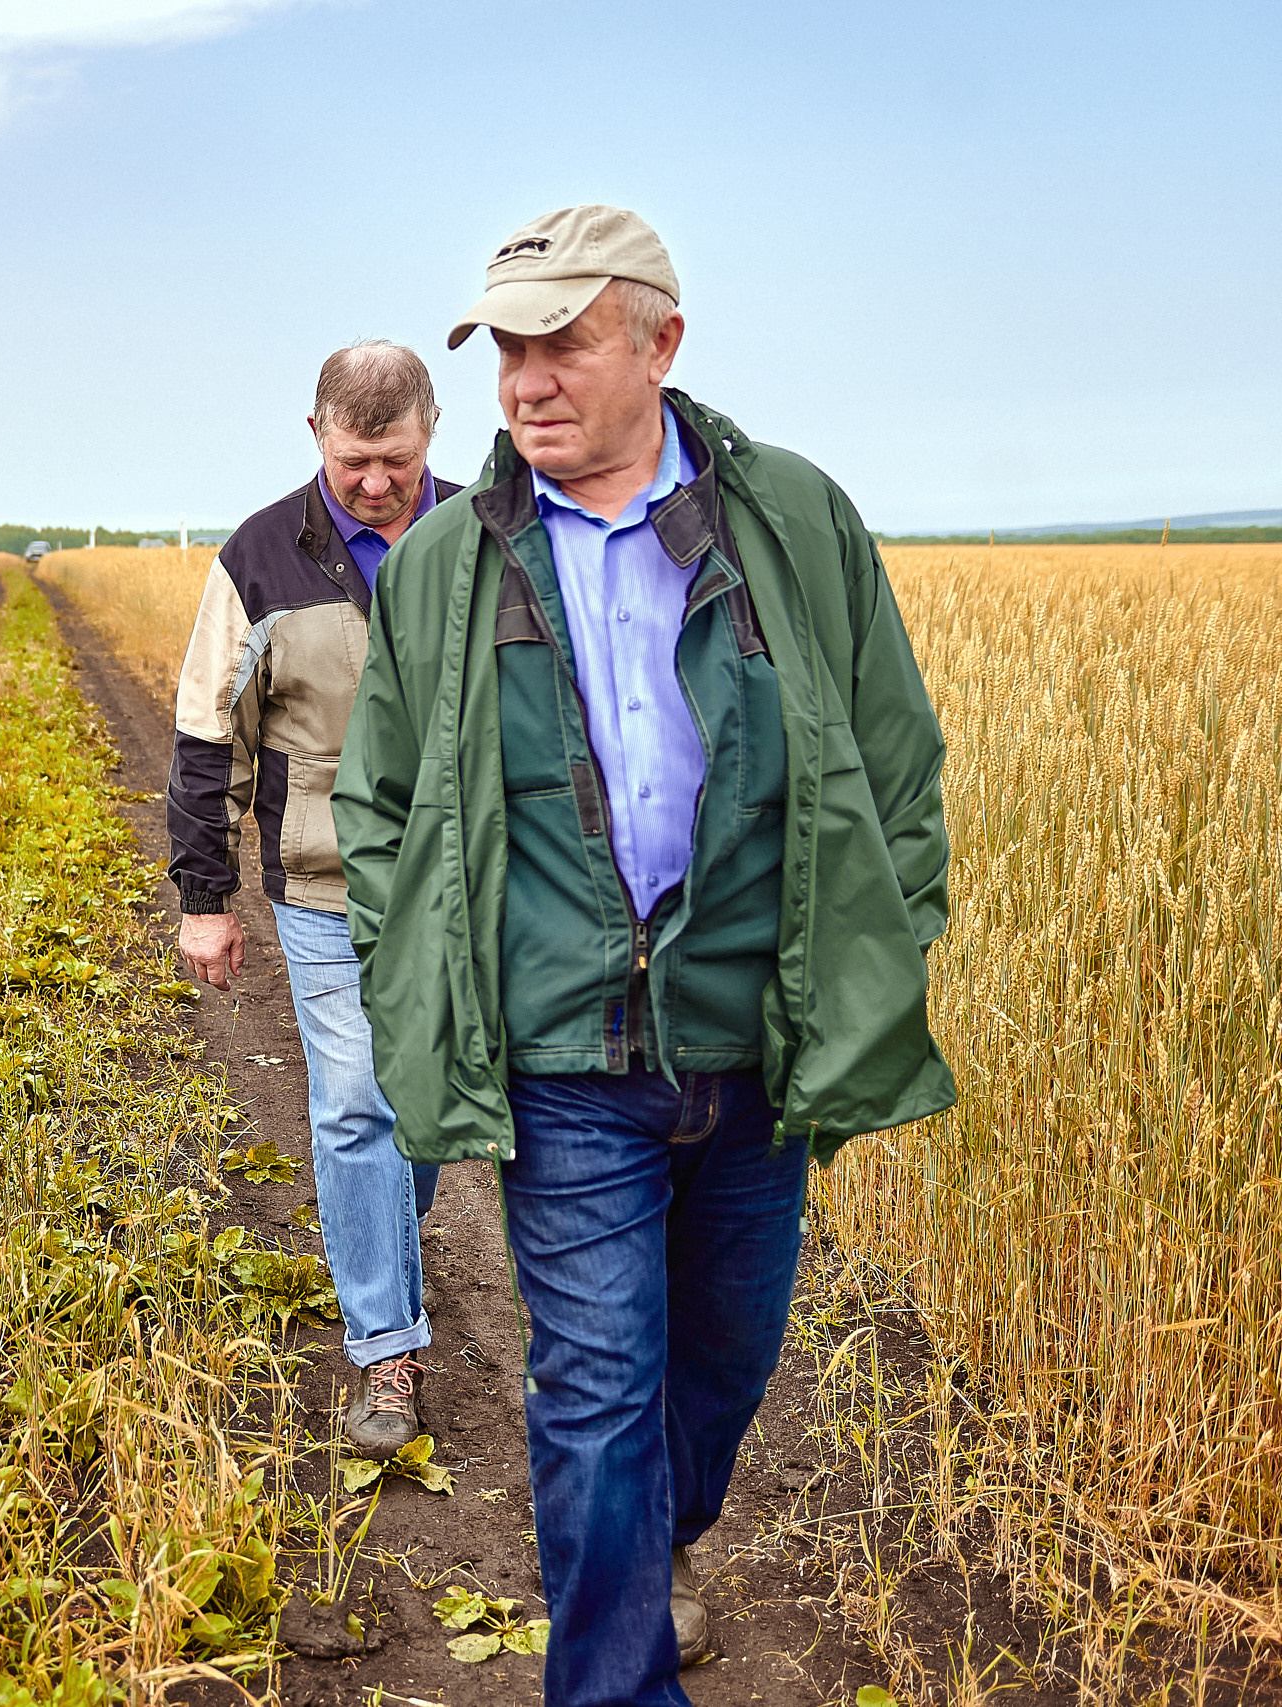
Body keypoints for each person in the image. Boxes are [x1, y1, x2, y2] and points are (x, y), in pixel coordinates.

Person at [333, 207, 953, 1705]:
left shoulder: (794, 521)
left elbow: (895, 766)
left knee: (722, 1370)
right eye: (509, 350)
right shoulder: (445, 567)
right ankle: (610, 1678)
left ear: (662, 344)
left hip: (758, 1037)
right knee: (597, 1388)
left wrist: (877, 959)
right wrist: (425, 970)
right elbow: (382, 803)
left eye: (563, 343)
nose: (526, 381)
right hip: (563, 1055)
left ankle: (653, 1541)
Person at [168, 342, 459, 1458]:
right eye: (353, 462)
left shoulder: (489, 541)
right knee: (355, 1105)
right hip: (322, 881)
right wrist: (207, 896)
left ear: (431, 431)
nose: (376, 482)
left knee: (425, 1104)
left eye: (396, 458)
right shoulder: (257, 558)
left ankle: (380, 1234)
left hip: (460, 883)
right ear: (314, 436)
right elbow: (206, 737)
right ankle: (386, 1351)